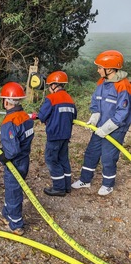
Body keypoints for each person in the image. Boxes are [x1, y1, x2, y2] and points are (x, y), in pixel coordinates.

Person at [72, 50, 131, 196]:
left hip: (116, 128)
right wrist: (95, 116)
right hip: (100, 127)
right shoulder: (102, 82)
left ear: (109, 69)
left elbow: (122, 113)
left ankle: (108, 184)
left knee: (108, 156)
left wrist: (107, 128)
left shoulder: (123, 85)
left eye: (100, 67)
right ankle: (85, 180)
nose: (98, 70)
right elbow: (96, 101)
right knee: (91, 152)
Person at [0, 82, 34, 236]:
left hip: (15, 163)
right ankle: (6, 214)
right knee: (13, 190)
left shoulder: (9, 123)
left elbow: (12, 150)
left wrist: (2, 156)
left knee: (13, 192)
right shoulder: (25, 117)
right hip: (24, 160)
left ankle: (16, 224)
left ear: (6, 101)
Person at [32, 71, 77, 197]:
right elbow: (73, 116)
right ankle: (67, 186)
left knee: (51, 160)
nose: (48, 89)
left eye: (49, 86)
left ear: (54, 85)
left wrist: (40, 116)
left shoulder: (51, 98)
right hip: (66, 135)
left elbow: (42, 116)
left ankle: (58, 188)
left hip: (54, 135)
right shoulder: (69, 99)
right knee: (63, 159)